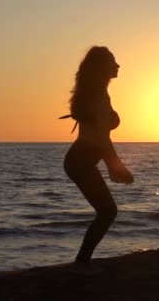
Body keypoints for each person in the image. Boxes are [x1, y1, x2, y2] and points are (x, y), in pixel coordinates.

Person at [62, 46, 134, 264]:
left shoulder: (97, 93)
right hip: (81, 160)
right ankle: (82, 261)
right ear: (103, 67)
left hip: (80, 160)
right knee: (108, 211)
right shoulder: (98, 97)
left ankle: (82, 261)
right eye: (113, 62)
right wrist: (116, 166)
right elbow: (102, 138)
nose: (117, 65)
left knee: (106, 211)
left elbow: (99, 137)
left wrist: (113, 165)